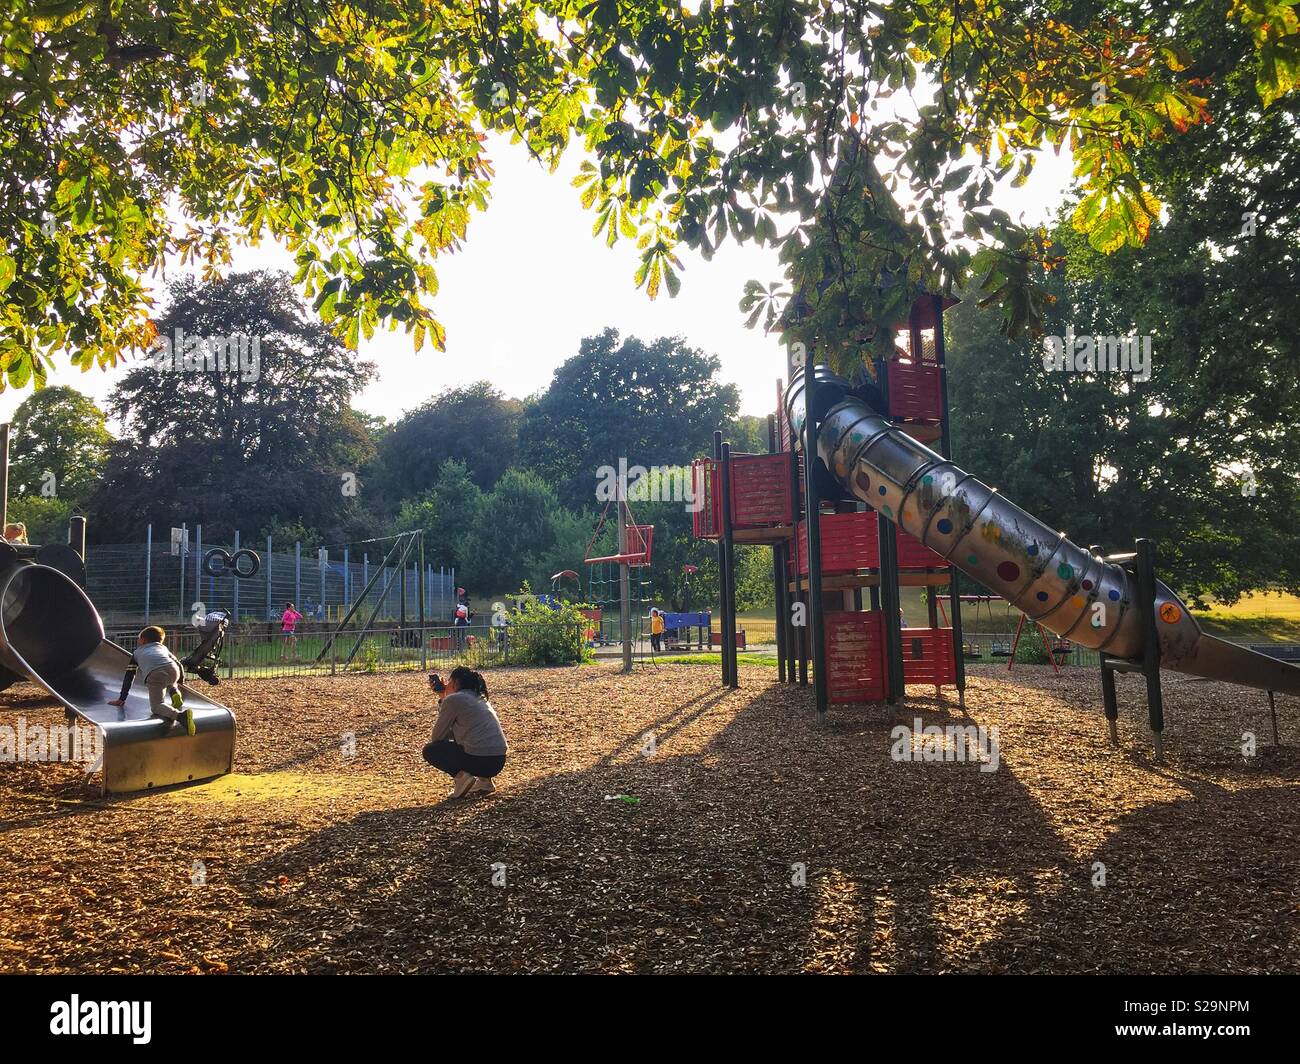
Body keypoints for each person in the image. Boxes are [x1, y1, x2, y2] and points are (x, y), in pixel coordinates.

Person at [423, 667, 508, 799]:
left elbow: (437, 737)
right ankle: (485, 782)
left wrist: (444, 698)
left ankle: (461, 777)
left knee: (430, 750)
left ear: (456, 682)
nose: (446, 684)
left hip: (478, 761)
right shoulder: (479, 698)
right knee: (472, 739)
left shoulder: (454, 700)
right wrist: (443, 696)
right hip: (498, 762)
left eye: (449, 681)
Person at [108, 626, 194, 735]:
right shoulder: (162, 648)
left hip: (155, 674)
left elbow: (129, 675)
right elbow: (179, 664)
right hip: (173, 670)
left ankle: (181, 716)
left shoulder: (137, 652)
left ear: (143, 640)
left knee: (157, 706)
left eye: (139, 638)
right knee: (171, 680)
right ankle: (175, 692)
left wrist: (122, 698)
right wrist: (181, 682)